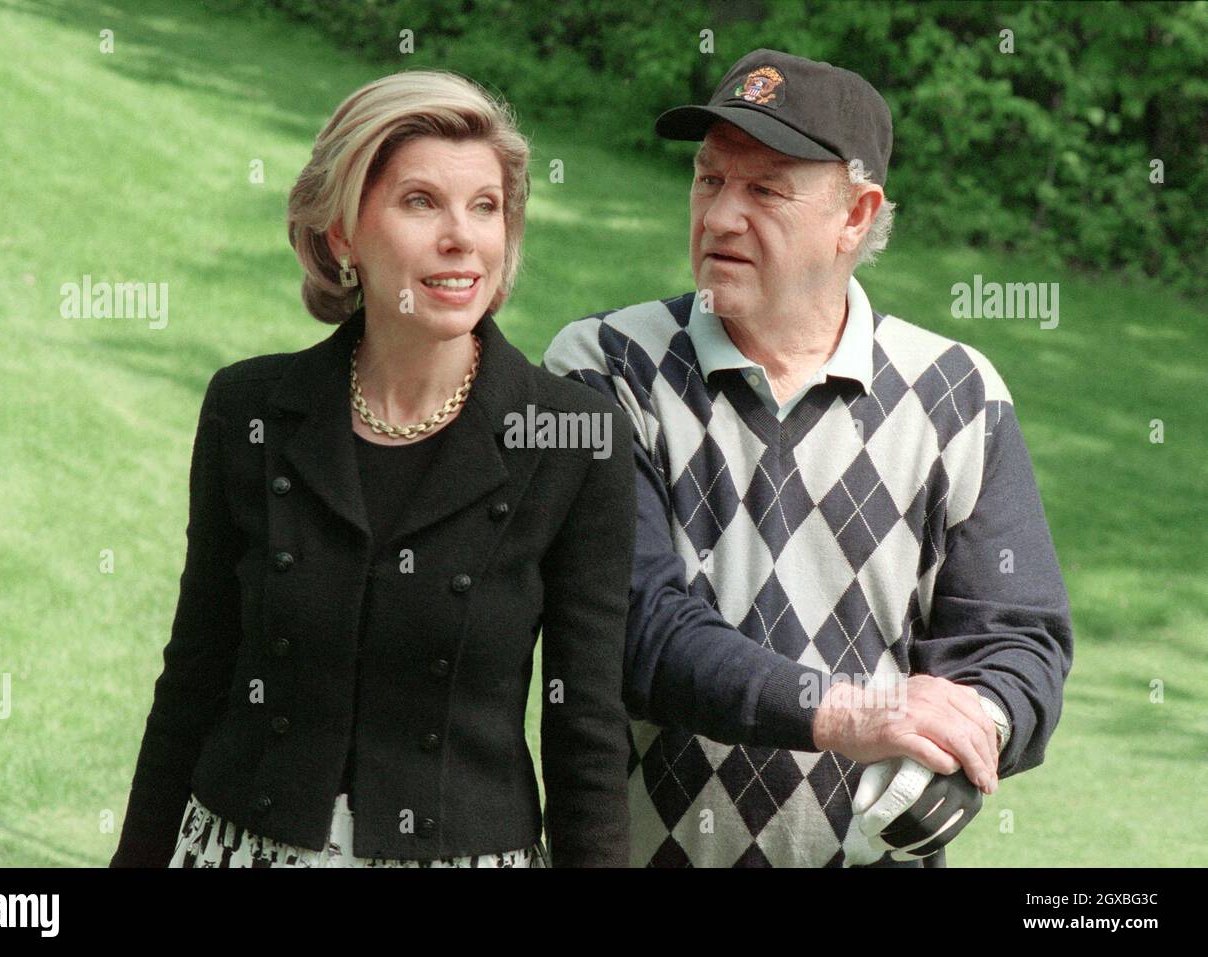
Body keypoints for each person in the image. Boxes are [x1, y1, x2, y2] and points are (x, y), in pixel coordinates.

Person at [543, 49, 1073, 867]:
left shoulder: (957, 393)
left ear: (855, 217)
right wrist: (854, 714)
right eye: (709, 179)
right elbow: (637, 626)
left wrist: (978, 726)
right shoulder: (605, 366)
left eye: (764, 190)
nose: (720, 216)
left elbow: (1018, 636)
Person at [110, 70, 635, 868]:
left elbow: (587, 728)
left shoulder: (573, 437)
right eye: (421, 201)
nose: (462, 237)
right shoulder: (246, 408)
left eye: (485, 206)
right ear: (342, 234)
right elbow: (193, 676)